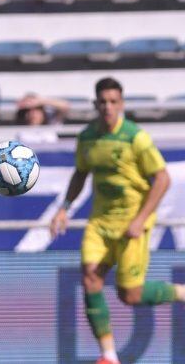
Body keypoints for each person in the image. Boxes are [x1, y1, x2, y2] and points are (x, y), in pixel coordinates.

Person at [50, 77, 185, 364]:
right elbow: (80, 173)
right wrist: (64, 207)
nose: (108, 107)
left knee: (131, 295)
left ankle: (180, 292)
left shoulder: (136, 137)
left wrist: (140, 219)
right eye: (103, 102)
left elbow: (162, 178)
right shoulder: (87, 137)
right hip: (100, 223)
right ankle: (109, 356)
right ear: (95, 104)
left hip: (131, 225)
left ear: (121, 104)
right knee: (90, 278)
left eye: (113, 102)